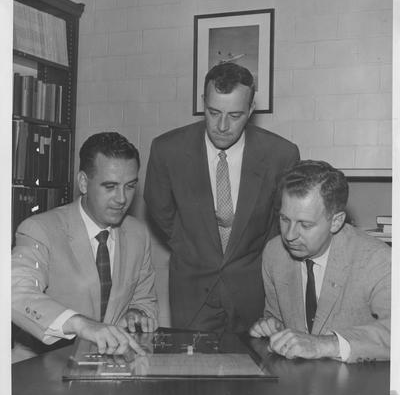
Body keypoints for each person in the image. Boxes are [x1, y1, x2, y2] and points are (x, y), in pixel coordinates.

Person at [144, 62, 299, 332]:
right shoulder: (167, 150)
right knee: (191, 369)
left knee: (255, 368)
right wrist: (192, 244)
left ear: (251, 110)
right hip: (191, 289)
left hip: (253, 290)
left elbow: (280, 222)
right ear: (203, 102)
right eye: (213, 112)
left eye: (235, 115)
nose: (222, 126)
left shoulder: (281, 154)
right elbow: (159, 207)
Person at [12, 132, 159, 357]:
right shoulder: (39, 230)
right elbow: (15, 292)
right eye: (110, 186)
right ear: (83, 182)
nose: (121, 199)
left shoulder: (138, 234)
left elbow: (144, 299)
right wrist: (81, 325)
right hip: (42, 365)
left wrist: (137, 312)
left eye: (130, 186)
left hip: (108, 367)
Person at [249, 160, 390, 363]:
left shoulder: (377, 260)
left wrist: (324, 344)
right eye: (284, 219)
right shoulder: (275, 253)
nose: (289, 235)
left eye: (305, 225)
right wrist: (274, 327)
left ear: (336, 221)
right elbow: (278, 317)